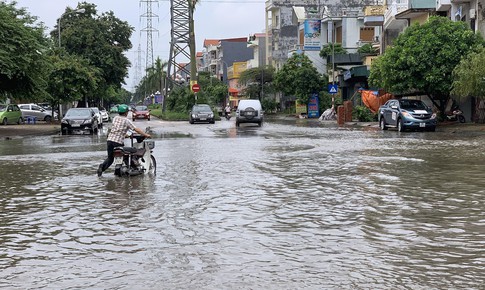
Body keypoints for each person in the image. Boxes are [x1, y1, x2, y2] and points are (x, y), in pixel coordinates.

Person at [97, 104, 151, 176]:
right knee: (132, 151)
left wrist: (125, 135)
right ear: (126, 112)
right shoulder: (126, 121)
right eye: (127, 112)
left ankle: (102, 168)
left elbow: (117, 130)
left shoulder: (115, 118)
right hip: (118, 143)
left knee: (110, 158)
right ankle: (133, 167)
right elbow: (136, 129)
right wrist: (145, 134)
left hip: (109, 141)